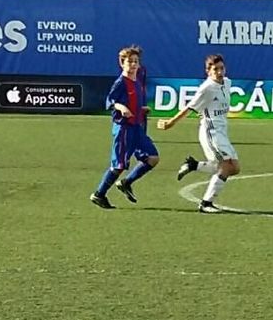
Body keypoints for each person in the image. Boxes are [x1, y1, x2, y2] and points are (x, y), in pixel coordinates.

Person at [157, 54, 239, 214]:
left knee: (234, 168)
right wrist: (170, 122)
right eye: (215, 69)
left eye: (222, 68)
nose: (220, 72)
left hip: (222, 131)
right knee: (226, 166)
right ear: (208, 71)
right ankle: (206, 203)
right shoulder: (206, 88)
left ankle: (193, 165)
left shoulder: (227, 83)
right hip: (211, 132)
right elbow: (189, 107)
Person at [90, 45, 160, 209]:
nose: (134, 65)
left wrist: (141, 109)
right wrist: (121, 108)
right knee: (119, 165)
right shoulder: (121, 82)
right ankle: (99, 194)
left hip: (137, 128)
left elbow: (134, 101)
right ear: (122, 63)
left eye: (136, 61)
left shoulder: (137, 79)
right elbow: (110, 101)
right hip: (124, 129)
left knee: (152, 158)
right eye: (130, 62)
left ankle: (127, 182)